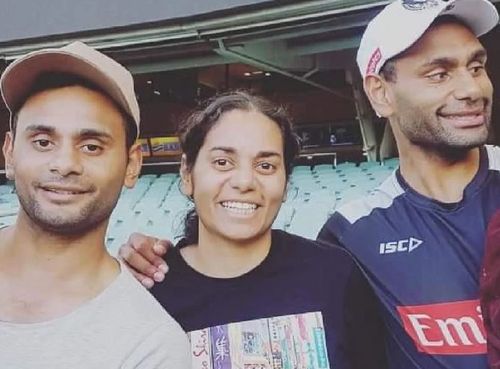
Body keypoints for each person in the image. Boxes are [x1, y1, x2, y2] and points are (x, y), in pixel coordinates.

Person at [120, 0, 500, 368]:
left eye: (477, 67)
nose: (472, 89)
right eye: (439, 73)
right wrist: (129, 267)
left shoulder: (330, 265)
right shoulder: (351, 236)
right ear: (380, 93)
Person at [127, 91, 388, 368]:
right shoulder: (147, 292)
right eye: (222, 162)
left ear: (286, 182)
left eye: (265, 166)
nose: (244, 181)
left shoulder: (334, 274)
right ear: (187, 174)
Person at [0, 41, 190, 368]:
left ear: (132, 164)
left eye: (91, 146)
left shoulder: (151, 346)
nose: (64, 163)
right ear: (10, 153)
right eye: (43, 142)